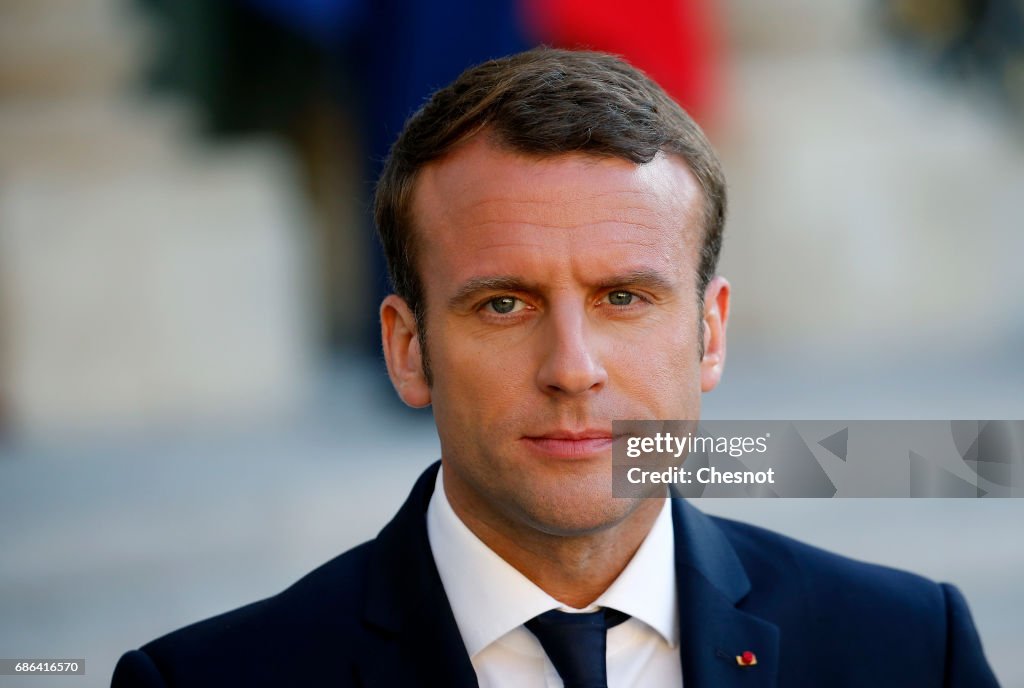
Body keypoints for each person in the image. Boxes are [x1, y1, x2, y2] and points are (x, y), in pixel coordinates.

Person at [111, 48, 998, 687]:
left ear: (711, 334)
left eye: (624, 299)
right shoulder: (202, 681)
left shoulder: (915, 649)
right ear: (406, 347)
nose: (572, 370)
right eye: (504, 305)